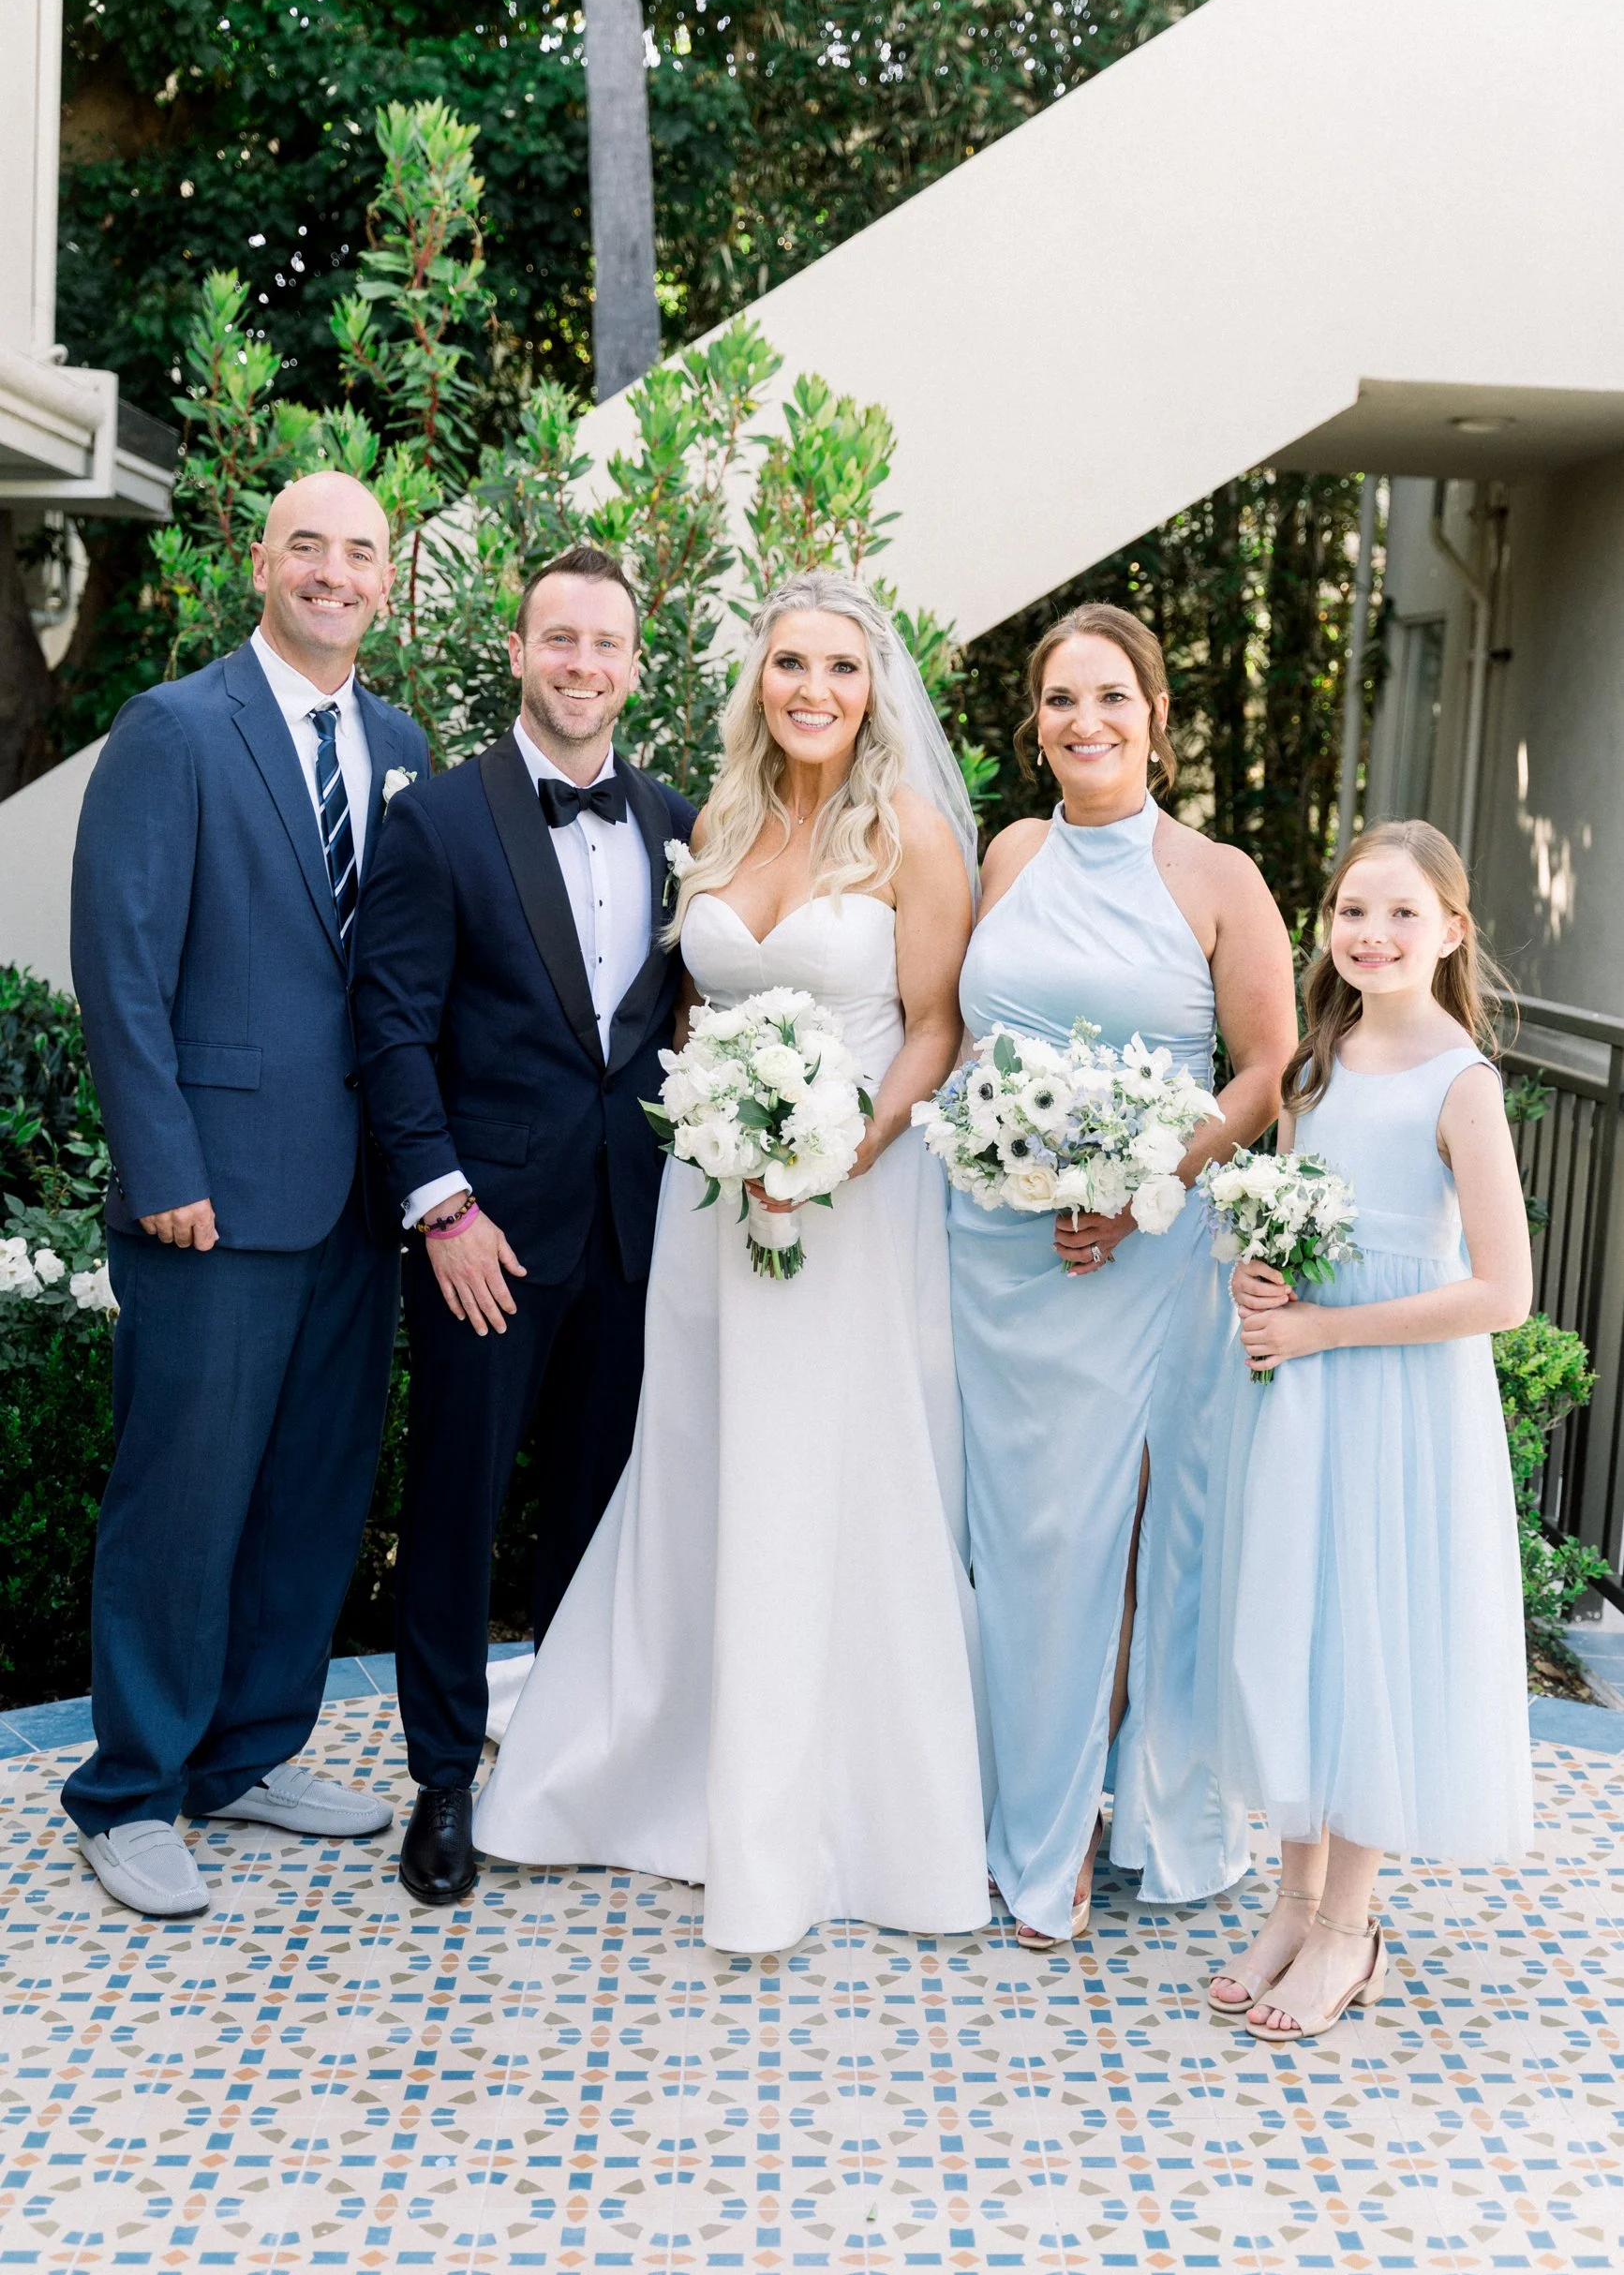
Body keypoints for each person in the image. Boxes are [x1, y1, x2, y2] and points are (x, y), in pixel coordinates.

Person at [473, 570, 992, 1955]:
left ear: (873, 689)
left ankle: (825, 1816)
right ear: (757, 683)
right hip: (709, 1204)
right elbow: (695, 1014)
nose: (813, 689)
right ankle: (665, 1765)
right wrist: (722, 1123)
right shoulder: (718, 822)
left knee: (825, 1472)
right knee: (702, 1457)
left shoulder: (911, 835)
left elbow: (935, 1026)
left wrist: (847, 1149)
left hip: (850, 1205)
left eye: (840, 667)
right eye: (789, 665)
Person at [64, 469, 425, 1917]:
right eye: (309, 547)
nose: (335, 572)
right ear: (263, 563)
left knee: (312, 1495)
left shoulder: (397, 742)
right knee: (183, 1499)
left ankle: (246, 1755)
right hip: (210, 1197)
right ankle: (130, 1789)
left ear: (386, 583)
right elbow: (120, 963)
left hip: (356, 1199)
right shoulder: (174, 729)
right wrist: (164, 1167)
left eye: (362, 553)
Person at [947, 605, 1299, 1949]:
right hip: (987, 1247)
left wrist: (1144, 1184)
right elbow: (968, 1039)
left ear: (1156, 715)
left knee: (1091, 1534)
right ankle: (985, 1800)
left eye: (1110, 697)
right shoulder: (1010, 853)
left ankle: (1073, 1829)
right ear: (1034, 721)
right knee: (993, 1532)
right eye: (1059, 699)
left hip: (1141, 1256)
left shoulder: (1217, 876)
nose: (1084, 721)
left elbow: (1263, 1072)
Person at [350, 544, 695, 1907]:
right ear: (518, 652)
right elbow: (390, 1028)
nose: (582, 664)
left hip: (633, 1226)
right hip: (483, 1237)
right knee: (457, 1503)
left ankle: (560, 1769)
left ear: (634, 665)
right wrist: (443, 1209)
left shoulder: (678, 822)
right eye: (560, 638)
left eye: (605, 643)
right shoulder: (439, 821)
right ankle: (443, 1778)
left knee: (600, 1515)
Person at [1200, 821, 1533, 2040]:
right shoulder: (1313, 1068)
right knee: (1297, 1630)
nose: (1372, 935)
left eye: (1401, 914)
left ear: (1450, 932)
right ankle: (1292, 1904)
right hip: (1301, 1392)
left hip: (1395, 1401)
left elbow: (1503, 1292)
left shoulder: (1461, 1083)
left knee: (1370, 1641)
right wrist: (1256, 1275)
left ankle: (1350, 1926)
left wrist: (1328, 1330)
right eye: (1352, 910)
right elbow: (1282, 1218)